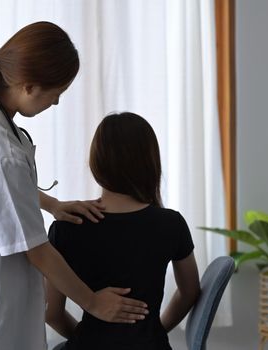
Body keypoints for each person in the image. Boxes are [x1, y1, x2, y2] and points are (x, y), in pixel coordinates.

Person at [0, 22, 148, 350]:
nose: (55, 103)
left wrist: (51, 204)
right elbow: (36, 250)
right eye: (57, 93)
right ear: (28, 86)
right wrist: (93, 304)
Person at [46, 112, 201, 350]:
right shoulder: (171, 224)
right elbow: (190, 292)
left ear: (96, 162)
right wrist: (157, 329)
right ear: (150, 161)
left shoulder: (67, 226)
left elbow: (52, 313)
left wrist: (84, 337)